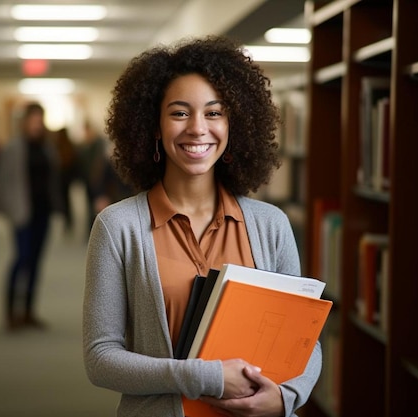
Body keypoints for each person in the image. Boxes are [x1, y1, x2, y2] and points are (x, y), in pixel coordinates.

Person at [82, 35, 322, 417]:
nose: (197, 128)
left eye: (214, 113)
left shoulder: (270, 224)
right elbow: (101, 358)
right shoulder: (117, 227)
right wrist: (205, 376)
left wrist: (284, 398)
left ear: (234, 124)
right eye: (179, 113)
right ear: (154, 126)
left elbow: (305, 341)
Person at [0, 102, 61, 331]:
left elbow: (54, 177)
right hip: (23, 212)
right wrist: (9, 210)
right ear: (25, 122)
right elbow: (2, 180)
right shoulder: (13, 148)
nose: (36, 125)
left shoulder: (47, 147)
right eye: (32, 120)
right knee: (21, 258)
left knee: (36, 262)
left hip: (43, 211)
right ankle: (11, 313)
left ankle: (29, 312)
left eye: (39, 120)